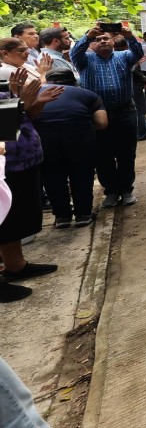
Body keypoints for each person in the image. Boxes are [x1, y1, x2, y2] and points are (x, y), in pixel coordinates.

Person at [0, 67, 62, 303]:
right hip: (7, 163)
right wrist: (19, 102)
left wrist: (30, 103)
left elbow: (24, 118)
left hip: (19, 162)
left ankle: (16, 265)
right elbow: (3, 131)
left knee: (11, 222)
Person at [71, 25, 144, 208]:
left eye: (106, 38)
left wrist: (130, 36)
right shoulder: (84, 60)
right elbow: (75, 53)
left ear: (113, 41)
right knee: (102, 155)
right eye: (98, 40)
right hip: (97, 115)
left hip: (125, 112)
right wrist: (88, 36)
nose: (103, 41)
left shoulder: (124, 56)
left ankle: (126, 190)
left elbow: (137, 52)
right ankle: (111, 191)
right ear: (91, 45)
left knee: (127, 153)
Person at [36, 69, 107, 229]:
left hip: (45, 140)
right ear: (74, 82)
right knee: (81, 174)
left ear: (47, 81)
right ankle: (83, 214)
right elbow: (102, 123)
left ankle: (62, 217)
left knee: (52, 177)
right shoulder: (87, 94)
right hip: (79, 138)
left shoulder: (35, 95)